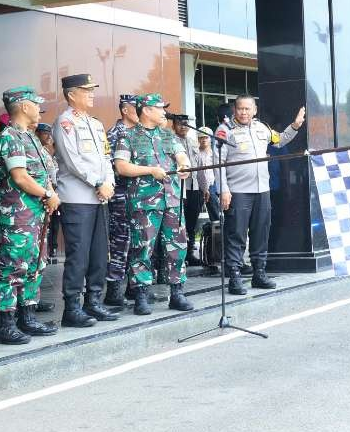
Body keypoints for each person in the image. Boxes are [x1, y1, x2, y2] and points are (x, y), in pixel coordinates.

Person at [0, 87, 61, 344]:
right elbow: (20, 177)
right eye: (34, 103)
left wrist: (50, 194)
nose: (38, 107)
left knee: (34, 266)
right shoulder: (11, 137)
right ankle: (5, 324)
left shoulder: (30, 138)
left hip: (36, 215)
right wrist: (47, 194)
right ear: (22, 106)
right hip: (17, 216)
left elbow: (44, 173)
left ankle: (27, 317)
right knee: (12, 269)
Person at [114, 94, 194, 315]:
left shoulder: (168, 135)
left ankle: (177, 293)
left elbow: (181, 156)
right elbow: (121, 167)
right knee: (143, 248)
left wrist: (184, 165)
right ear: (146, 110)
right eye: (160, 108)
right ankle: (140, 295)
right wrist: (150, 171)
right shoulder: (127, 136)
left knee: (177, 246)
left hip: (172, 199)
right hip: (144, 202)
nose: (164, 112)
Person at [216, 96, 305, 295]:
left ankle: (259, 273)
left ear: (255, 110)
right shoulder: (225, 130)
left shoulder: (262, 128)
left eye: (248, 109)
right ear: (235, 110)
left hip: (262, 190)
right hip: (238, 191)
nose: (243, 112)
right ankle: (235, 276)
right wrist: (223, 189)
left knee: (261, 233)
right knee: (236, 234)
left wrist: (295, 125)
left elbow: (280, 141)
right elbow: (217, 162)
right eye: (240, 109)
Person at [52, 74, 118, 327]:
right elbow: (72, 161)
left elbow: (106, 158)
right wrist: (98, 183)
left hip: (100, 198)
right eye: (86, 90)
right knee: (78, 255)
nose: (92, 94)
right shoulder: (65, 122)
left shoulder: (96, 124)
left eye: (92, 90)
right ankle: (72, 308)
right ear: (71, 95)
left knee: (100, 254)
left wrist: (109, 183)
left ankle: (94, 302)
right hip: (77, 198)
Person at [103, 94, 138, 307]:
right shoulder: (115, 134)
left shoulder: (138, 133)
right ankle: (114, 290)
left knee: (136, 241)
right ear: (125, 110)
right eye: (136, 107)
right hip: (121, 195)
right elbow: (113, 167)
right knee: (121, 242)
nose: (141, 111)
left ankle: (133, 287)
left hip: (138, 195)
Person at [171, 116, 209, 266]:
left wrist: (204, 187)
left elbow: (200, 168)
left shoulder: (194, 142)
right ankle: (177, 256)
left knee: (192, 223)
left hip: (194, 188)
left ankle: (190, 254)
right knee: (179, 223)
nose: (183, 127)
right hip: (179, 188)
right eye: (180, 124)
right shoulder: (170, 141)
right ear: (173, 126)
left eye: (186, 124)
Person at [35, 123, 60, 263]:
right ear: (38, 133)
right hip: (42, 195)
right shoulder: (37, 150)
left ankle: (48, 252)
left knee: (52, 225)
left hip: (52, 194)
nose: (49, 137)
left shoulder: (45, 152)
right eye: (46, 133)